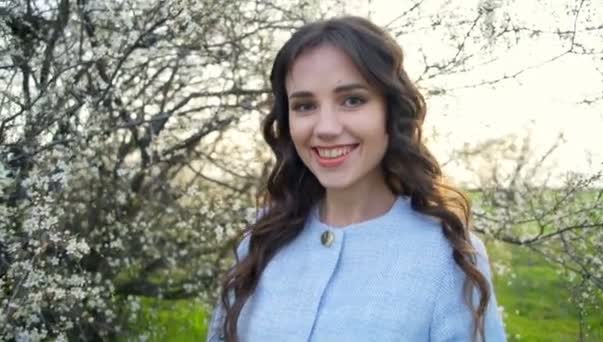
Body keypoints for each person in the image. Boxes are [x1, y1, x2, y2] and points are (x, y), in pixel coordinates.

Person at [206, 16, 507, 342]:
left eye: (352, 100)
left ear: (390, 111)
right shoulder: (261, 239)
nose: (326, 128)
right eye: (305, 105)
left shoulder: (447, 256)